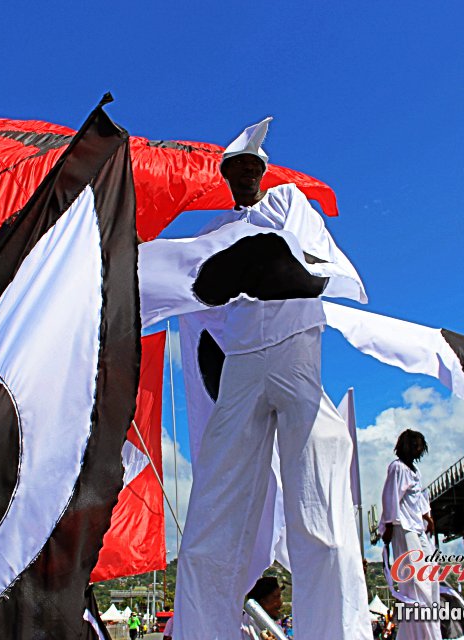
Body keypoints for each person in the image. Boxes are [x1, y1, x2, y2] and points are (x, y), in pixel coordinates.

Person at [170, 118, 372, 640]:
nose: (243, 176)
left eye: (250, 167)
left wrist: (256, 267)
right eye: (234, 169)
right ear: (226, 176)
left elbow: (305, 259)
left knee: (321, 523)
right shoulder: (211, 235)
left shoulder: (286, 203)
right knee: (208, 524)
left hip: (294, 348)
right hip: (241, 362)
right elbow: (187, 290)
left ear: (261, 170)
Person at [378, 430, 440, 640]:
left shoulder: (414, 471)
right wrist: (389, 525)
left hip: (416, 526)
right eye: (416, 445)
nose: (419, 449)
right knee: (415, 581)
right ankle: (421, 631)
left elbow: (419, 498)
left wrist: (427, 517)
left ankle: (426, 627)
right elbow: (390, 497)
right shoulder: (397, 468)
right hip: (403, 527)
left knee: (429, 574)